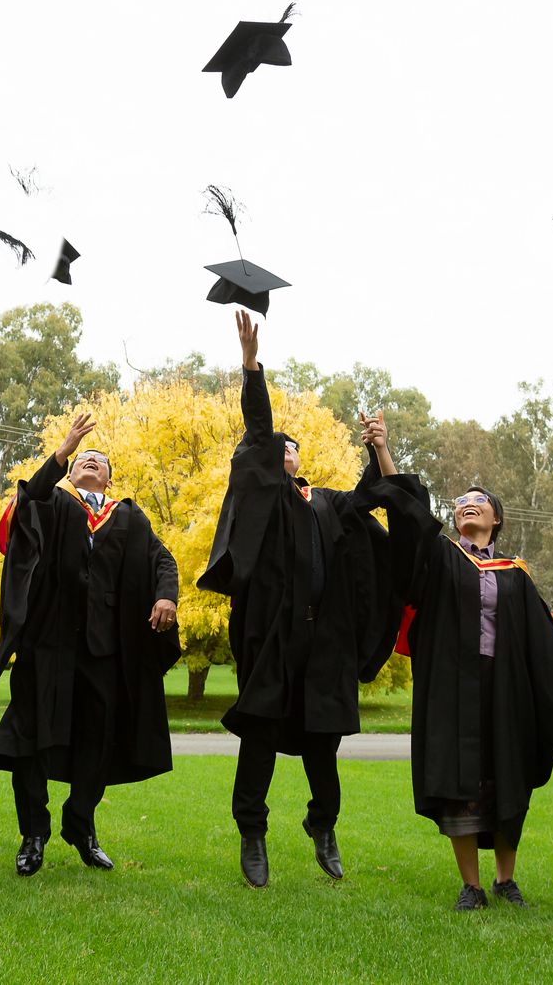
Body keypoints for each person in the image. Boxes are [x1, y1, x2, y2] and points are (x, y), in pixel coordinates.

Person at [197, 311, 398, 888]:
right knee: (259, 736)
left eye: (291, 447)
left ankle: (323, 824)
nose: (282, 449)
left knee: (323, 745)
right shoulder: (264, 493)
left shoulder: (327, 502)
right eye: (276, 446)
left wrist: (378, 449)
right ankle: (253, 834)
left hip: (326, 642)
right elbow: (259, 433)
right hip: (274, 637)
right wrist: (251, 366)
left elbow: (376, 496)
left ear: (300, 457)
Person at [363, 414, 553, 911]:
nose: (468, 506)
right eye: (461, 503)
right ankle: (471, 886)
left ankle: (505, 880)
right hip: (451, 687)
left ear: (497, 519)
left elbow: (542, 637)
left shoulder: (515, 573)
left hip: (506, 688)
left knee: (506, 775)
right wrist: (384, 450)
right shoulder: (441, 556)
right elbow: (410, 514)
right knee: (457, 780)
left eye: (479, 503)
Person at [0, 413, 182, 876]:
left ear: (110, 477)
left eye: (100, 460)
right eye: (84, 458)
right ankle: (33, 832)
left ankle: (80, 822)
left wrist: (164, 595)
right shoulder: (53, 500)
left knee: (98, 742)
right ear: (73, 470)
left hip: (105, 649)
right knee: (29, 739)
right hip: (48, 641)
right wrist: (63, 449)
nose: (91, 460)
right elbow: (28, 497)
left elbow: (163, 560)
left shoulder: (129, 515)